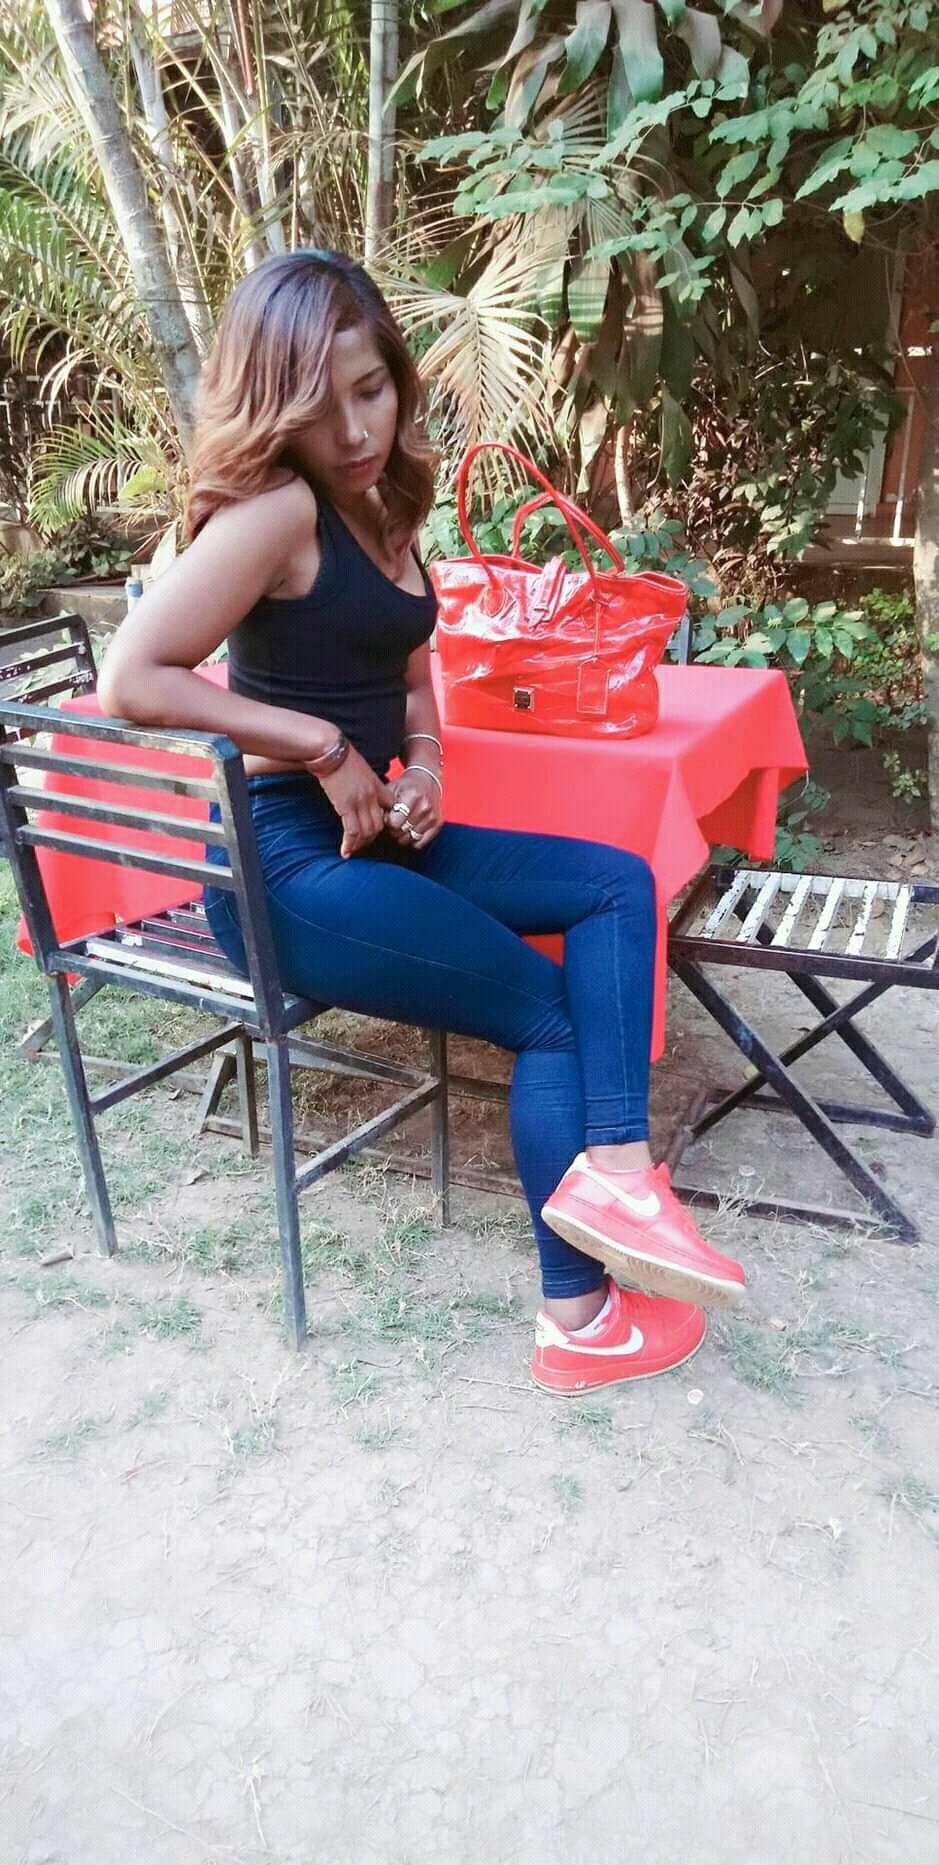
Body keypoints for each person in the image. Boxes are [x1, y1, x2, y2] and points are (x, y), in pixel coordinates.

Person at [99, 248, 746, 1396]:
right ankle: (578, 1318)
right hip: (284, 870)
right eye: (320, 406)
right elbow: (131, 677)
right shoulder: (278, 511)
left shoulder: (388, 503)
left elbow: (412, 676)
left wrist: (428, 761)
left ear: (398, 378)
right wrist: (320, 746)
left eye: (371, 390)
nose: (354, 429)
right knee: (545, 1014)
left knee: (617, 883)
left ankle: (618, 1171)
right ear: (275, 409)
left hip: (380, 837)